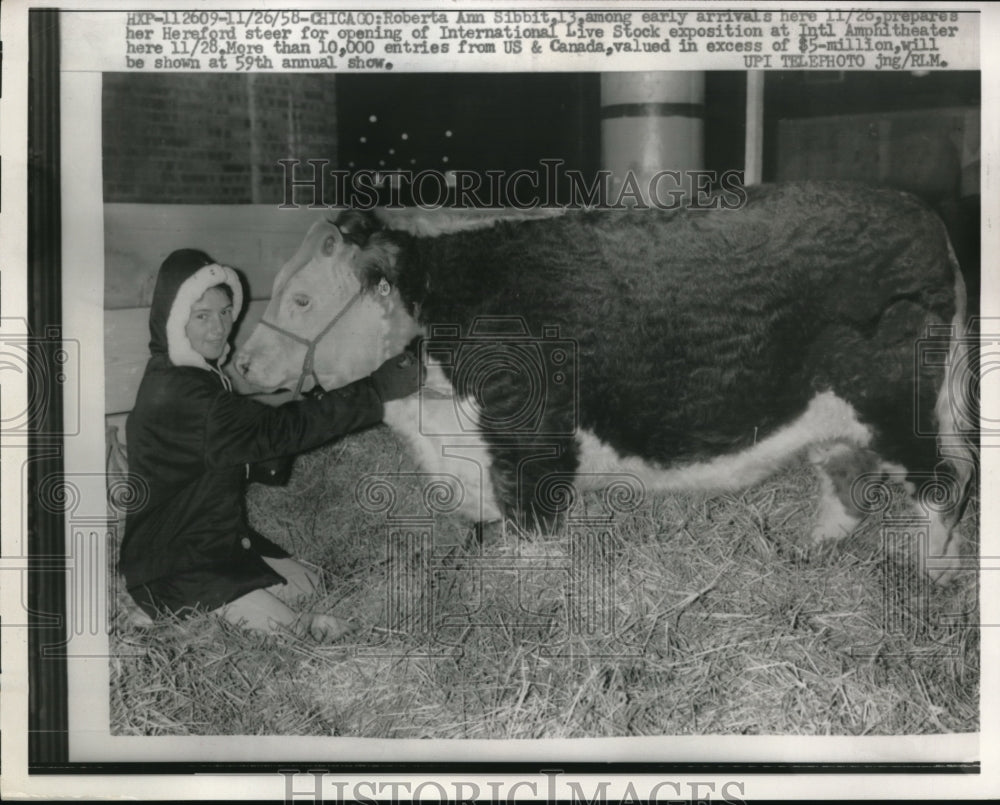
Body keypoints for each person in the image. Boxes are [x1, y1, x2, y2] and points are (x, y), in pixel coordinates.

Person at [119, 248, 418, 641]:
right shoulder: (182, 393)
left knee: (318, 587)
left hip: (212, 544)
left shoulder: (188, 377)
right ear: (175, 321)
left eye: (225, 312)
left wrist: (305, 413)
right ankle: (160, 614)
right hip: (176, 569)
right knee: (306, 636)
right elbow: (278, 430)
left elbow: (244, 442)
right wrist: (377, 390)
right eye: (202, 315)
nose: (219, 327)